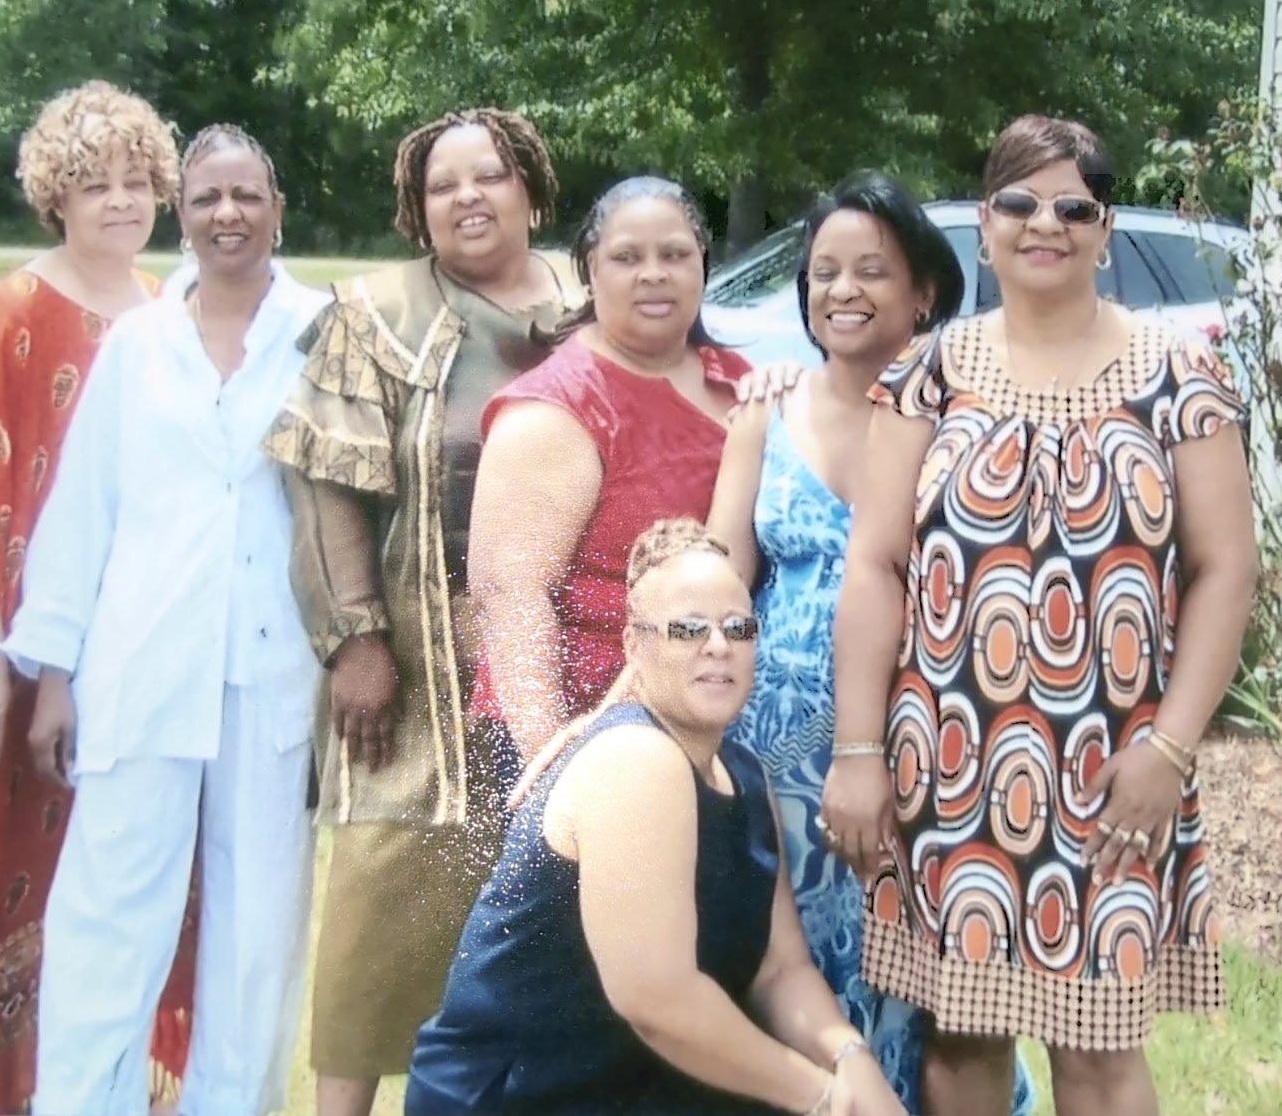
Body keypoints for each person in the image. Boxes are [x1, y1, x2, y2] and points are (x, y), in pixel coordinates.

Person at [821, 115, 1259, 1116]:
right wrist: (857, 749)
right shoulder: (926, 374)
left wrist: (1171, 746)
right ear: (984, 223)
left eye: (1073, 206)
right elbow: (876, 564)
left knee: (1098, 1048)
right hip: (949, 761)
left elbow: (1225, 569)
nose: (1043, 223)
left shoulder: (1179, 375)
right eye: (1018, 202)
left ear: (1105, 228)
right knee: (963, 1034)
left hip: (1116, 766)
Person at [0, 124, 327, 1116]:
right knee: (107, 913)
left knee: (258, 925)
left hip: (272, 670)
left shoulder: (324, 329)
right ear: (180, 214)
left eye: (245, 194)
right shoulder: (137, 341)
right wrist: (53, 672)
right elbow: (82, 509)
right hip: (140, 662)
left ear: (275, 205)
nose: (226, 213)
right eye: (205, 197)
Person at [264, 108, 576, 1116]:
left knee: (553, 895)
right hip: (416, 658)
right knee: (376, 905)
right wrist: (354, 638)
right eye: (444, 184)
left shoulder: (596, 291)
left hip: (573, 645)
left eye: (489, 175)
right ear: (415, 206)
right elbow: (321, 487)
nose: (468, 196)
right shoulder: (373, 313)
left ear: (529, 186)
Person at [407, 518, 911, 1116]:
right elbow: (658, 1001)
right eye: (688, 628)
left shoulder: (743, 771)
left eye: (737, 626)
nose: (718, 645)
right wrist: (827, 1101)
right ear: (635, 647)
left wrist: (851, 1059)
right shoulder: (635, 761)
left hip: (640, 1083)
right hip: (523, 1093)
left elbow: (781, 970)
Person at [0, 82, 199, 1114]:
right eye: (96, 186)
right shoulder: (16, 311)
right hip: (32, 651)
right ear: (55, 199)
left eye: (138, 182)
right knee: (22, 860)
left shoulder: (173, 308)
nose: (122, 203)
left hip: (140, 645)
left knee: (128, 868)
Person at [712, 174, 970, 1113]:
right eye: (824, 273)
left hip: (922, 743)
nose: (843, 291)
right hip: (778, 757)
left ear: (923, 293)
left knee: (916, 975)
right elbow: (722, 579)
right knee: (791, 965)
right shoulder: (764, 413)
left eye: (872, 270)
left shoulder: (960, 415)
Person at [468, 177, 752, 776]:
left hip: (705, 724)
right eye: (627, 257)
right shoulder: (555, 408)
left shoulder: (739, 384)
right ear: (591, 271)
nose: (653, 273)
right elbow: (511, 595)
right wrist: (551, 762)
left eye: (674, 254)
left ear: (702, 261)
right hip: (583, 736)